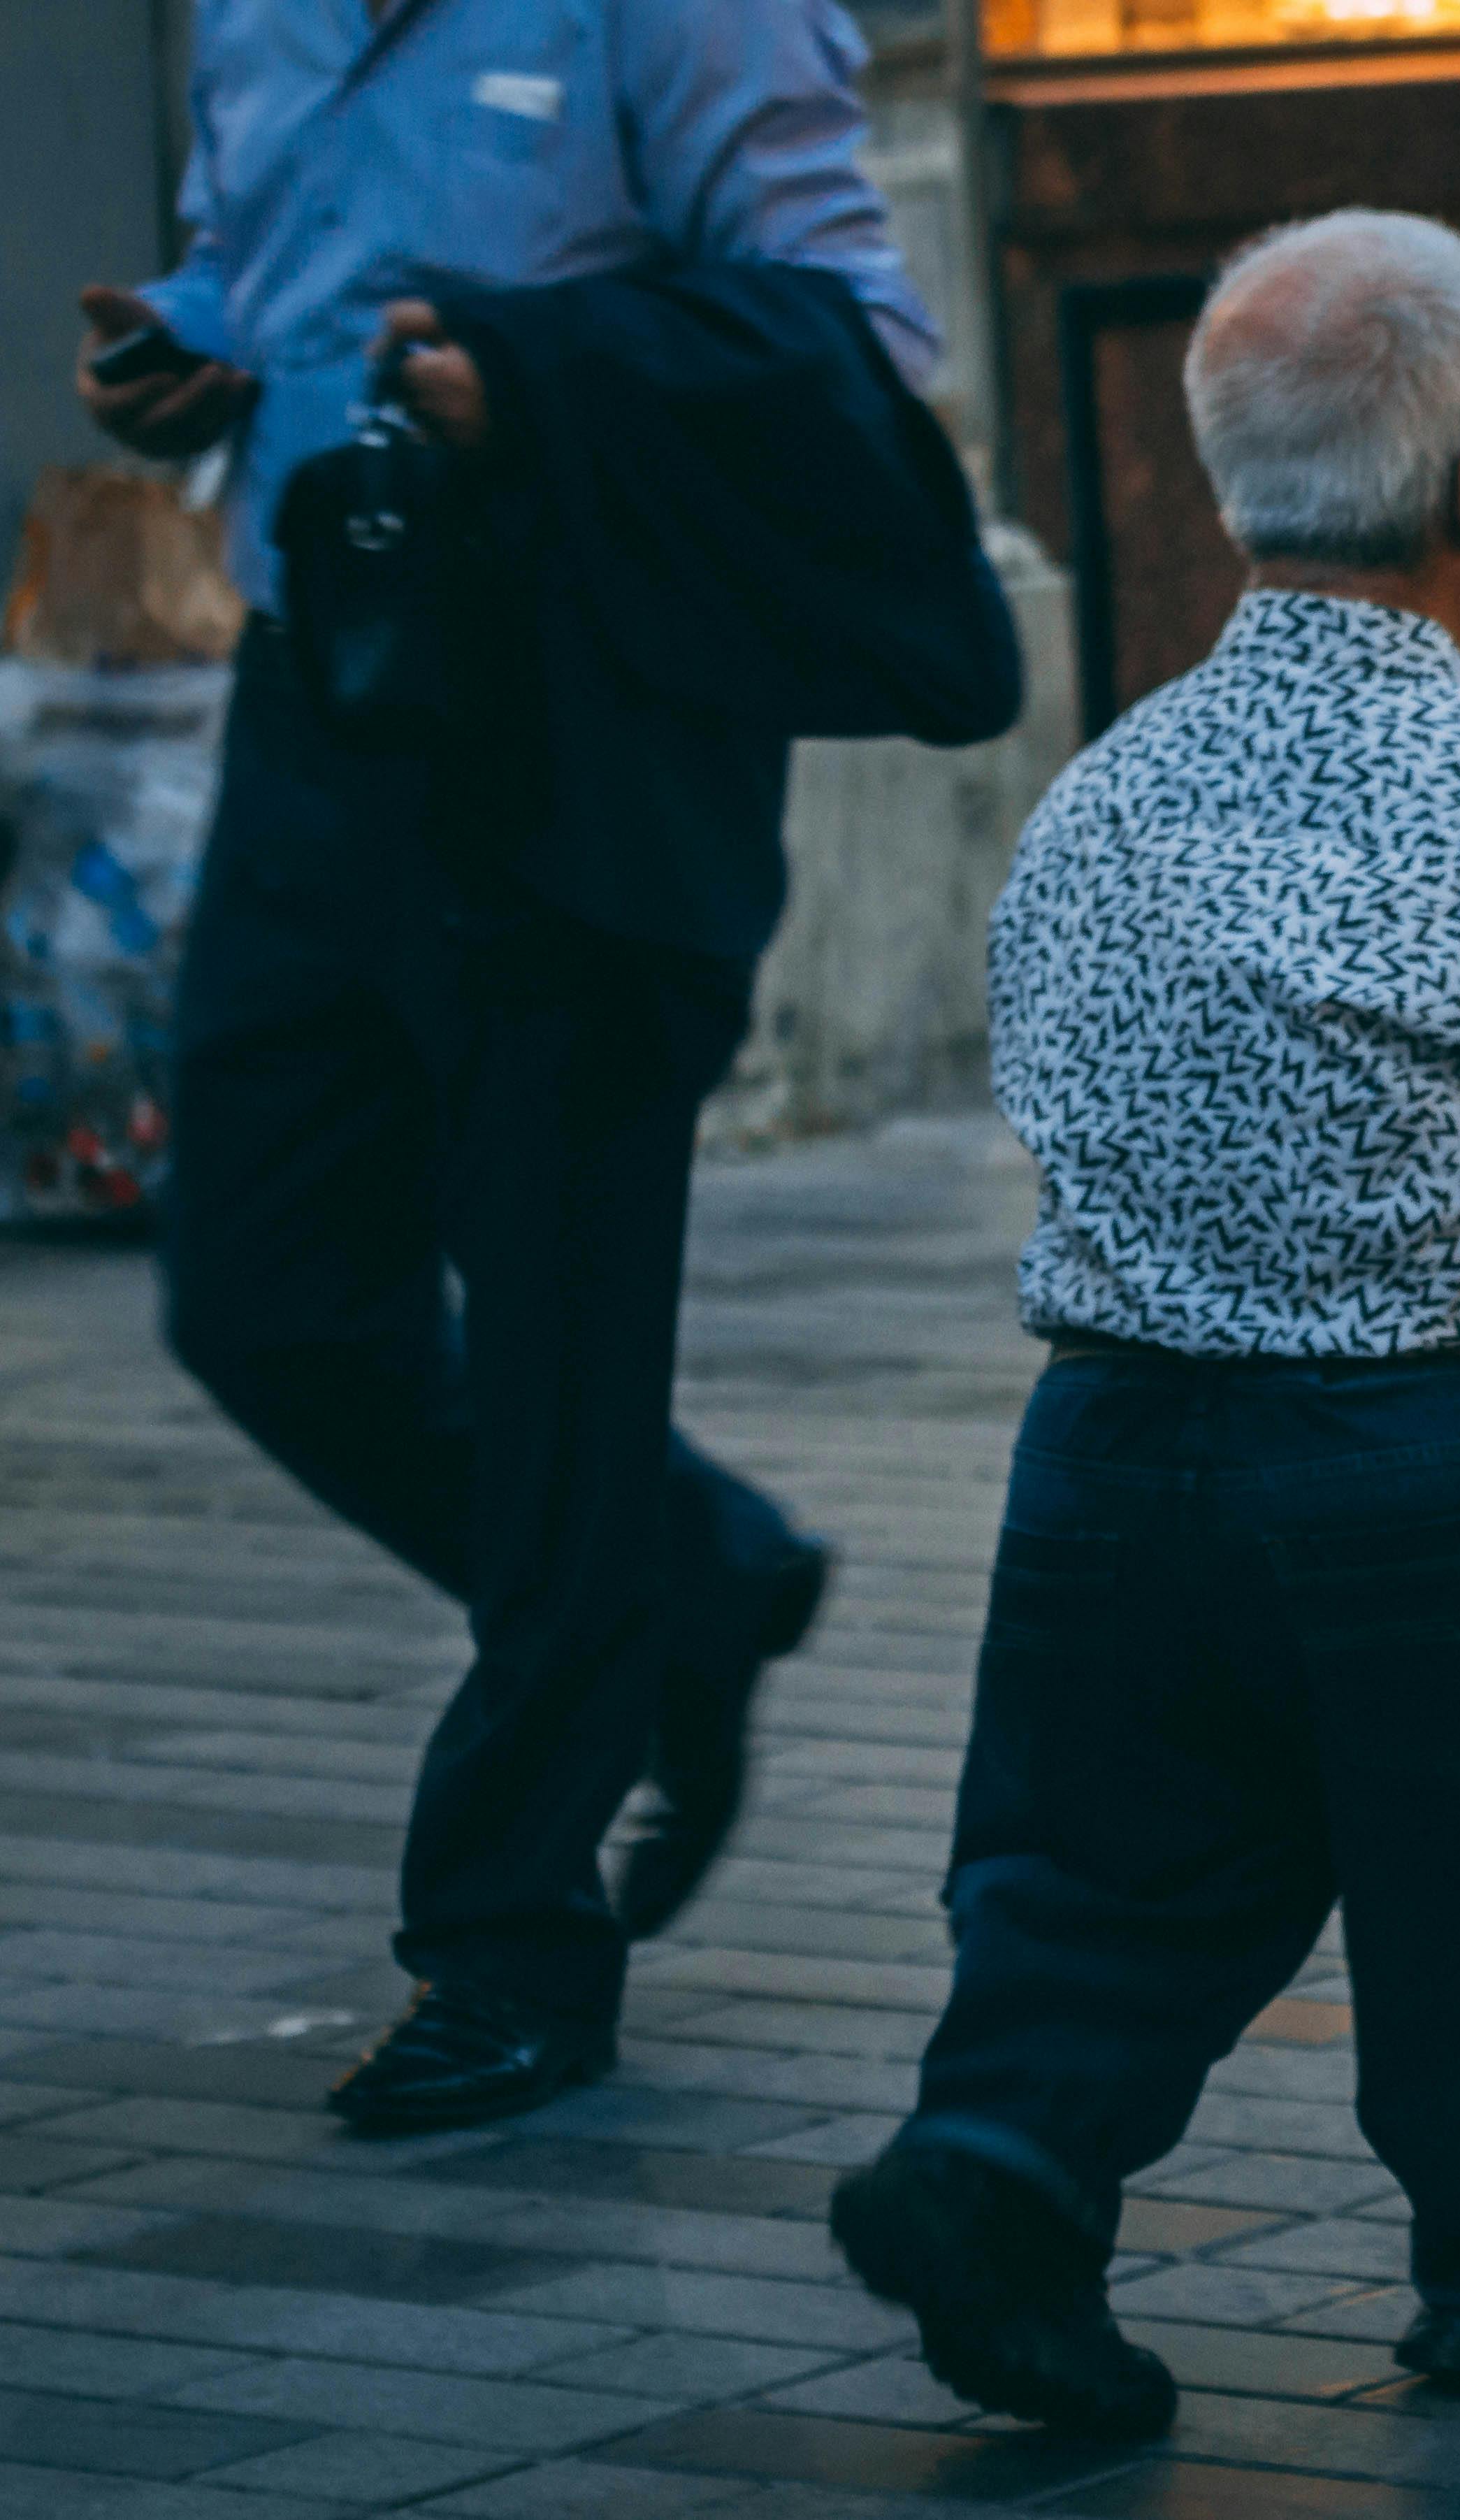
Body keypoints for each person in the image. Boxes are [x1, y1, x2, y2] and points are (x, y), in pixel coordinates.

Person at [828, 211, 1460, 2438]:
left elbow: (1045, 1064)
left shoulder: (1095, 803)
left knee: (1086, 1863)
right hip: (1430, 1453)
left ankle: (1000, 2160)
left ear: (1220, 482)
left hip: (1108, 1438)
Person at [79, 0, 971, 2131]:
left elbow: (851, 339)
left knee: (565, 1342)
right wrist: (197, 344)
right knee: (269, 1295)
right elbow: (261, 263)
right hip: (321, 686)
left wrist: (540, 381)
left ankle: (510, 1941)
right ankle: (692, 1578)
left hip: (580, 719)